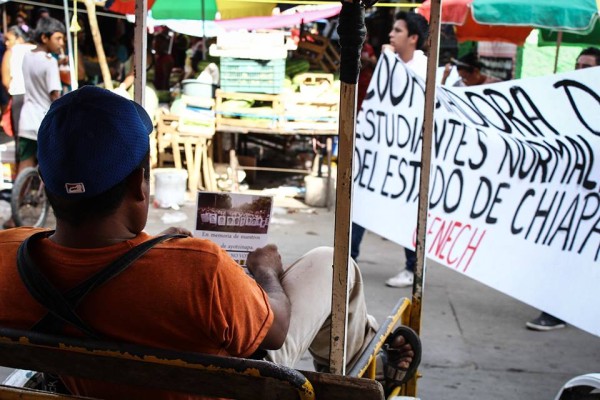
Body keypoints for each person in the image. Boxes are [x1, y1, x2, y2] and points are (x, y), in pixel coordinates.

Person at [0, 86, 421, 399]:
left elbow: (91, 264)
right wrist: (267, 273)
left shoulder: (7, 255)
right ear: (139, 186)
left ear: (46, 189)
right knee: (332, 264)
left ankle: (368, 360)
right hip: (232, 383)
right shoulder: (200, 267)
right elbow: (275, 331)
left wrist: (148, 249)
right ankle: (360, 372)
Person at [352, 11, 429, 288]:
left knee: (407, 211)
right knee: (361, 201)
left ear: (413, 38)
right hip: (381, 152)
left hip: (410, 156)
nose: (391, 34)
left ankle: (412, 266)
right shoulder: (388, 65)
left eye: (397, 30)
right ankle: (349, 261)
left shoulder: (426, 70)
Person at [526, 46, 600, 332]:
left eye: (588, 67)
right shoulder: (569, 103)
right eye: (578, 65)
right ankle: (555, 308)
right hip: (570, 193)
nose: (581, 71)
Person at [16, 16, 64, 173]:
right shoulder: (50, 62)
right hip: (43, 123)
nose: (61, 43)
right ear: (44, 37)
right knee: (51, 168)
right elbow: (55, 96)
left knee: (25, 165)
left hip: (26, 120)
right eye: (58, 38)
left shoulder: (27, 56)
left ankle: (20, 196)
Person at [1, 25, 34, 140]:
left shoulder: (11, 51)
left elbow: (5, 80)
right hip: (39, 97)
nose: (6, 43)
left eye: (8, 39)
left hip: (19, 96)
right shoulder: (36, 49)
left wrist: (13, 88)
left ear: (19, 38)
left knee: (20, 135)